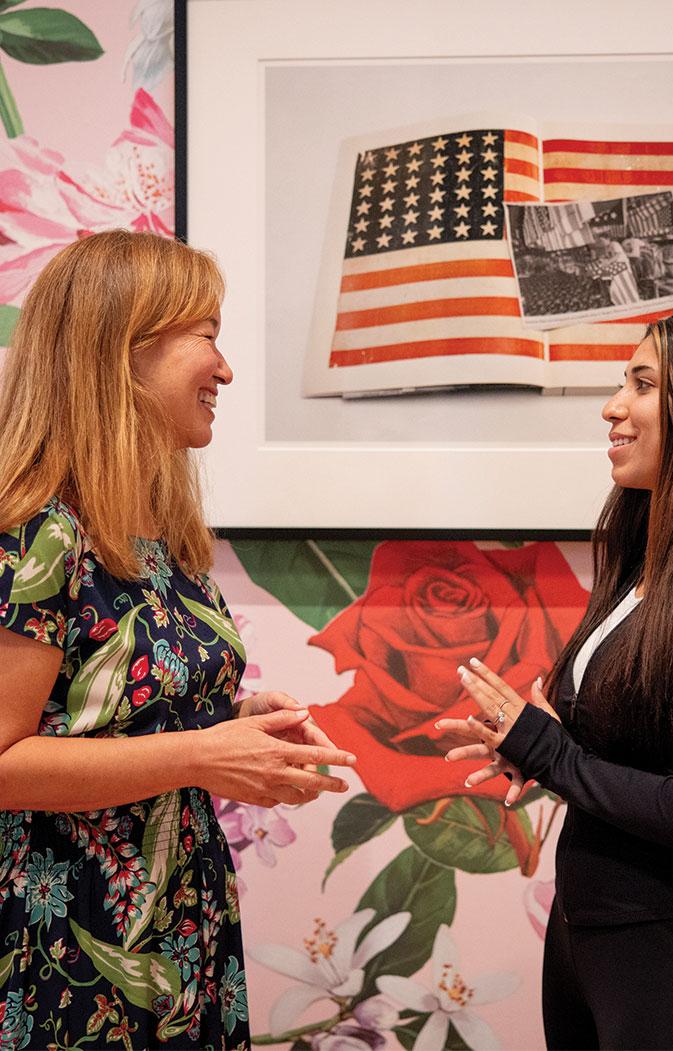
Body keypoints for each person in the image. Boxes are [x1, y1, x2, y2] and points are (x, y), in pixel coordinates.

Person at [0, 230, 357, 1050]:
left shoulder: (154, 535)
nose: (225, 369)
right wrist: (202, 754)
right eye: (208, 336)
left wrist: (236, 720)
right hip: (70, 944)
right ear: (124, 353)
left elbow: (110, 706)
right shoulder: (40, 532)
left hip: (179, 928)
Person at [437, 312, 673, 1050]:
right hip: (592, 937)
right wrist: (533, 743)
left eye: (641, 384)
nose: (612, 405)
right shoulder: (646, 566)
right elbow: (633, 751)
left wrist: (554, 755)